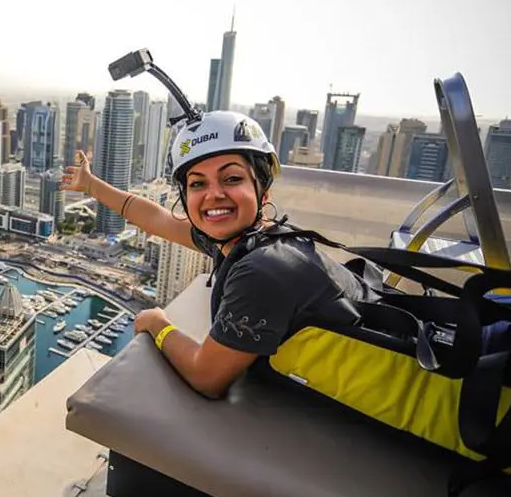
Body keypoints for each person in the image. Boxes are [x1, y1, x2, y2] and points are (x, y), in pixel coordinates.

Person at [62, 111, 376, 399]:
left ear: (262, 190)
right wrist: (91, 186)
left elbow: (207, 376)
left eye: (232, 179)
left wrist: (158, 324)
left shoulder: (262, 269)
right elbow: (156, 219)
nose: (214, 194)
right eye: (198, 183)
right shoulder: (252, 239)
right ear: (185, 199)